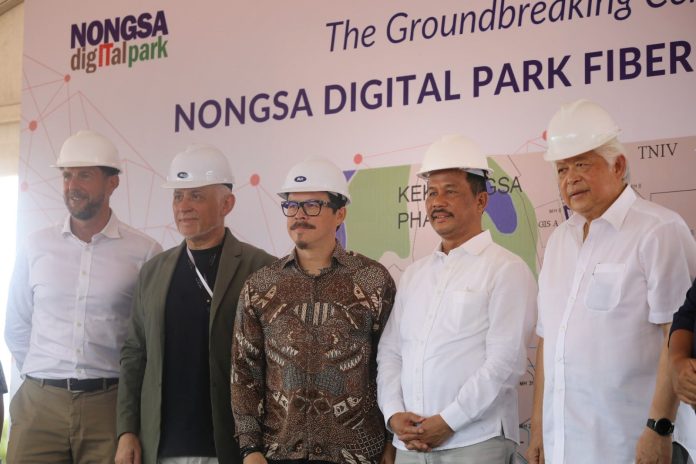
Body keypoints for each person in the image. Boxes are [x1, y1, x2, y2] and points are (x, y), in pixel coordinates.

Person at [528, 99, 696, 464]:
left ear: (618, 165)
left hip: (635, 444)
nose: (570, 178)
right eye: (561, 169)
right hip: (564, 448)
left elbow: (678, 333)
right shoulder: (558, 242)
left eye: (581, 164)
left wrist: (659, 428)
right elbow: (547, 339)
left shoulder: (660, 230)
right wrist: (538, 427)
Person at [377, 135, 537, 463]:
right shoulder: (414, 275)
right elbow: (391, 352)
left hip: (476, 442)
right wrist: (393, 414)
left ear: (481, 201)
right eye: (431, 192)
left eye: (450, 191)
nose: (437, 202)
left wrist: (449, 421)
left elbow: (505, 363)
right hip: (410, 445)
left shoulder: (506, 269)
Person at [5, 130, 162, 463]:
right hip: (39, 406)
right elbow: (17, 326)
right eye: (66, 175)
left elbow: (149, 340)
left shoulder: (145, 252)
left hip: (109, 406)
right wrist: (46, 377)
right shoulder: (35, 246)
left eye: (85, 175)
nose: (72, 185)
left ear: (112, 183)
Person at [115, 144, 275, 464]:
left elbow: (277, 365)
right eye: (178, 196)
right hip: (161, 446)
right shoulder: (153, 271)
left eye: (196, 196)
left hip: (233, 447)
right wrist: (127, 431)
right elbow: (134, 354)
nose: (183, 207)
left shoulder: (261, 269)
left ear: (227, 204)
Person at [231, 157, 397, 464]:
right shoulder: (261, 285)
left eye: (312, 205)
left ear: (340, 213)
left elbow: (391, 364)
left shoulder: (373, 280)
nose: (299, 215)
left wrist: (392, 440)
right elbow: (244, 369)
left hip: (357, 454)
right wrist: (249, 448)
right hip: (280, 453)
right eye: (292, 206)